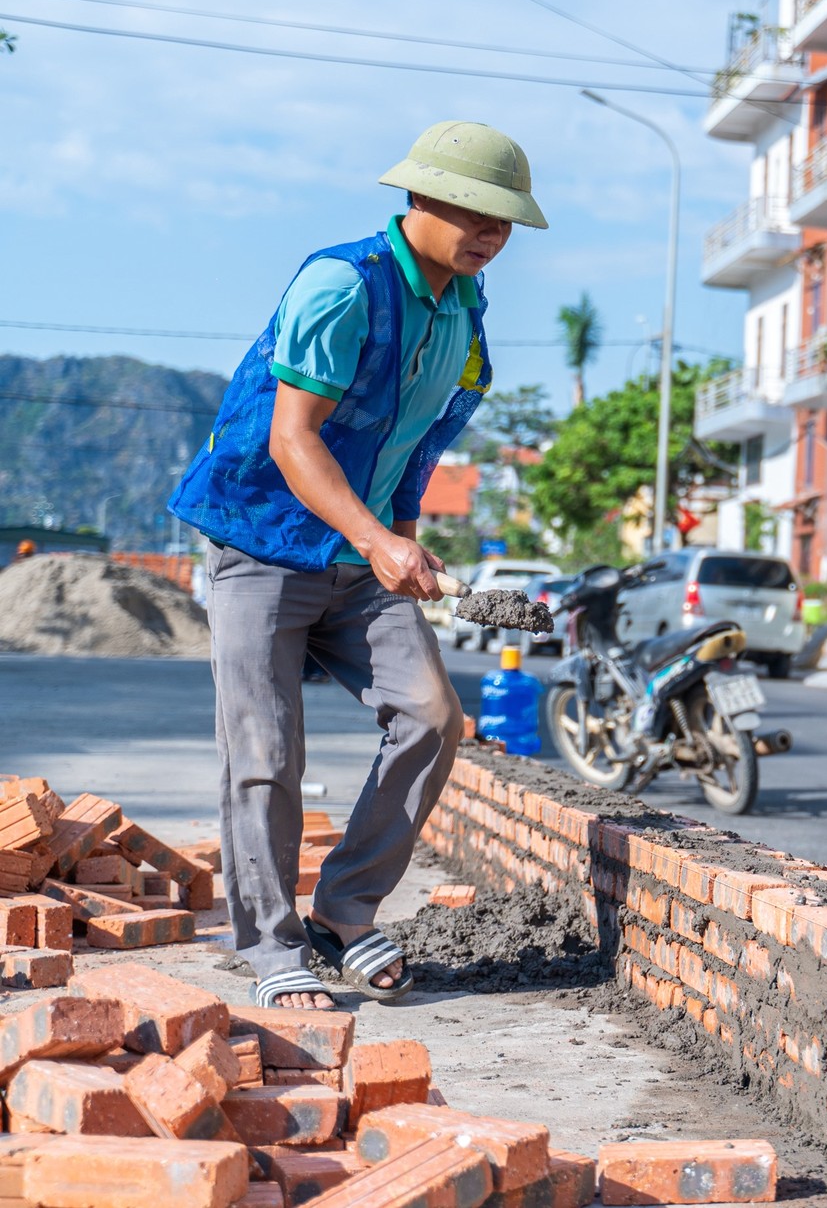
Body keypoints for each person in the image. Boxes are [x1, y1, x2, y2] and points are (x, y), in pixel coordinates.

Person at [169, 121, 547, 1010]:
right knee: (264, 749)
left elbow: (417, 441)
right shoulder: (343, 286)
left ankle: (342, 913)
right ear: (419, 199)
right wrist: (380, 542)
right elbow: (292, 439)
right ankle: (268, 944)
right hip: (261, 541)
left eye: (504, 221)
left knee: (430, 716)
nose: (490, 234)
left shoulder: (464, 307)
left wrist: (402, 538)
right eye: (474, 212)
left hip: (360, 553)